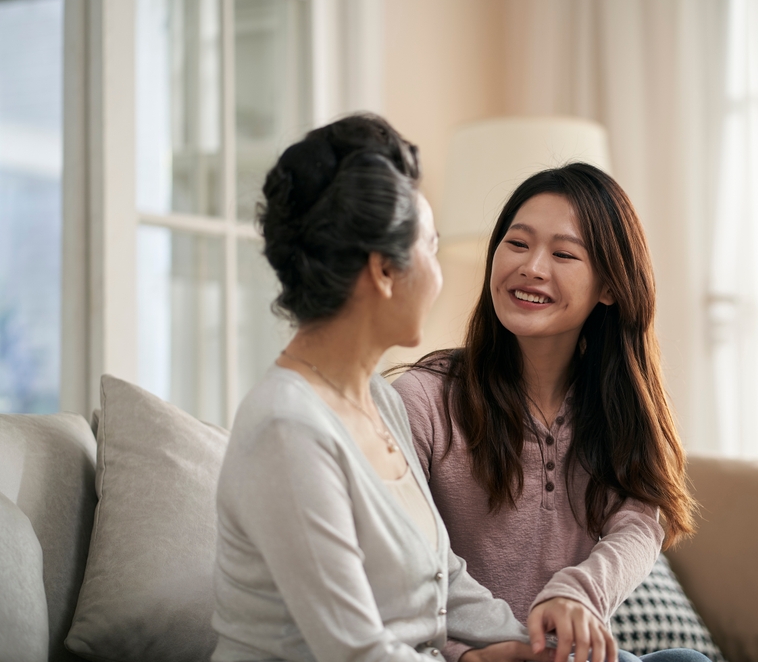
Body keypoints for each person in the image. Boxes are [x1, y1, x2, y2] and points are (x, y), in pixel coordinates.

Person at [211, 114, 551, 662]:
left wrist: (528, 647)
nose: (439, 276)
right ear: (384, 272)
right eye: (431, 249)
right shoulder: (286, 429)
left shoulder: (380, 401)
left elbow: (445, 577)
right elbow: (356, 652)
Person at [391, 163, 706, 662]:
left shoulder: (614, 409)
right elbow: (398, 571)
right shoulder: (422, 400)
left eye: (563, 254)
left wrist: (579, 591)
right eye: (517, 244)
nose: (532, 267)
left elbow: (641, 521)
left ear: (609, 287)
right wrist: (467, 654)